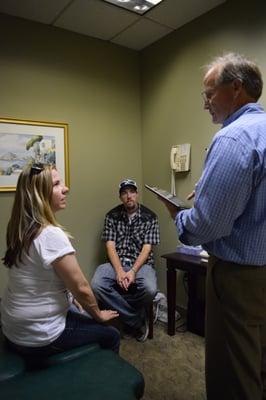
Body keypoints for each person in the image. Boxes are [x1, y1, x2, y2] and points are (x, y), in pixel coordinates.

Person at [161, 53, 266, 400]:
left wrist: (181, 217)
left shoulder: (233, 139)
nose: (205, 103)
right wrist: (212, 192)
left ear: (235, 88)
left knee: (233, 372)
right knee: (259, 362)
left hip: (239, 277)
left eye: (209, 94)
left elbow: (206, 227)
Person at [1, 163, 120, 363]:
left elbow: (44, 277)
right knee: (112, 335)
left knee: (77, 307)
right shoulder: (50, 234)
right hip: (39, 337)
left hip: (13, 328)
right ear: (40, 194)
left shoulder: (19, 227)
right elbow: (82, 288)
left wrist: (72, 300)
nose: (65, 188)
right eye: (57, 184)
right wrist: (98, 315)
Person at [91, 179, 160, 342]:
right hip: (117, 262)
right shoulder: (112, 216)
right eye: (124, 193)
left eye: (131, 192)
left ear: (137, 194)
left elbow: (147, 248)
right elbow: (110, 246)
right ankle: (136, 319)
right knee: (96, 284)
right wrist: (120, 271)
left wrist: (133, 271)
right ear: (120, 197)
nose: (128, 196)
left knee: (150, 289)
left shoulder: (150, 217)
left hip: (141, 264)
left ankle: (125, 316)